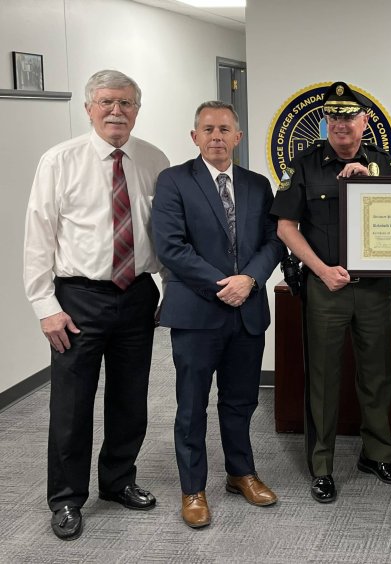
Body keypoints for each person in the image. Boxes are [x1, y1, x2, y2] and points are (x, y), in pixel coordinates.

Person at [23, 69, 169, 540]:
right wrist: (45, 305)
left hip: (137, 294)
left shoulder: (154, 159)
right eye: (106, 102)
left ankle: (118, 481)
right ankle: (66, 498)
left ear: (137, 110)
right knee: (72, 405)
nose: (116, 111)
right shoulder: (59, 160)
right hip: (79, 298)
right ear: (88, 108)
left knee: (131, 398)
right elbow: (38, 237)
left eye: (126, 103)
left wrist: (172, 291)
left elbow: (163, 235)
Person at [151, 101, 285, 528]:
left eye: (225, 129)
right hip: (197, 312)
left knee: (241, 401)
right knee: (191, 405)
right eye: (207, 129)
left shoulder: (257, 184)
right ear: (194, 136)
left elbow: (273, 242)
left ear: (238, 137)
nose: (216, 136)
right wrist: (222, 284)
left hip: (247, 310)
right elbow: (171, 247)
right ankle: (193, 488)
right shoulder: (173, 181)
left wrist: (249, 279)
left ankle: (240, 472)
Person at [271, 82, 391, 504]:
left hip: (374, 290)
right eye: (333, 117)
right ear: (325, 121)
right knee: (324, 378)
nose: (341, 124)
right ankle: (323, 465)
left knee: (377, 373)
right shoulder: (306, 165)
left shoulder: (383, 164)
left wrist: (372, 184)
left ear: (365, 122)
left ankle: (376, 453)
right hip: (326, 287)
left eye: (349, 117)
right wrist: (321, 271)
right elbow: (286, 227)